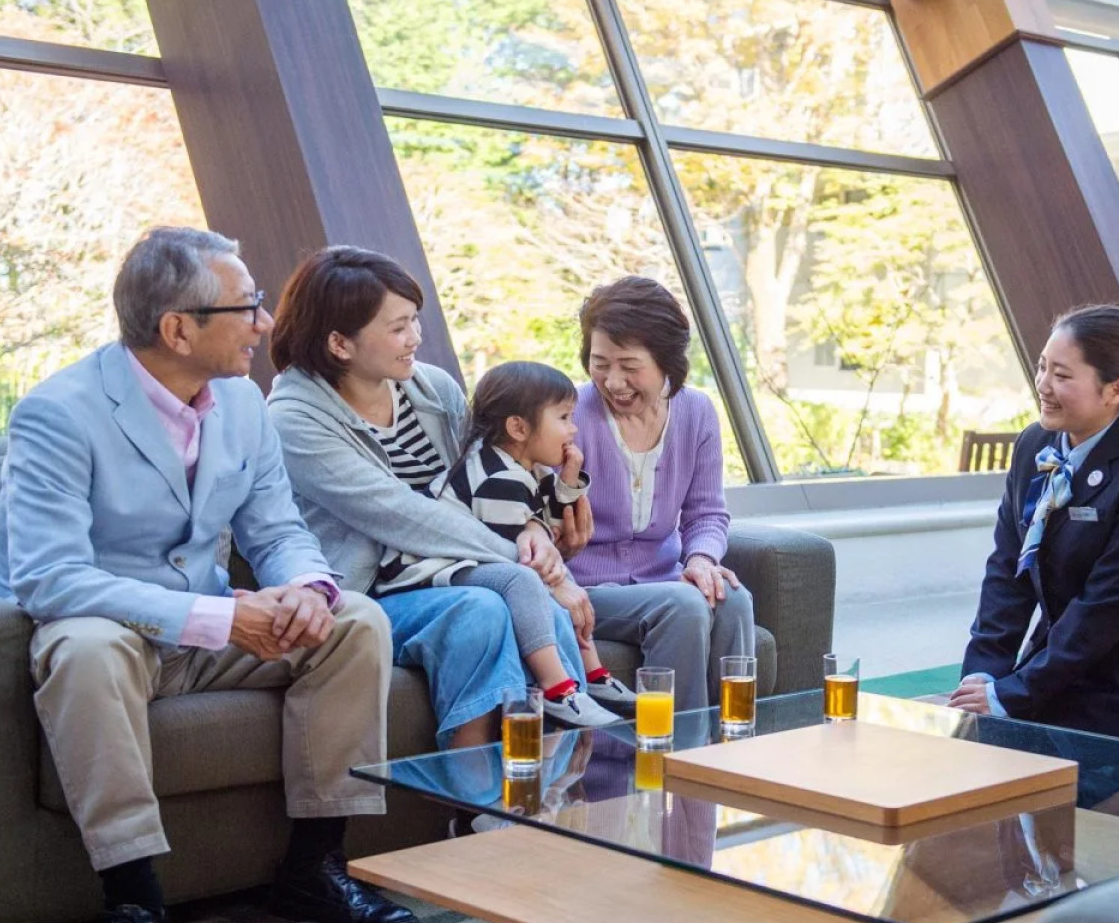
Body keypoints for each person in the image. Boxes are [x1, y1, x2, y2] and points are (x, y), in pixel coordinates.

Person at [0, 228, 416, 923]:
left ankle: (314, 868)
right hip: (111, 627)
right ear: (177, 329)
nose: (262, 321)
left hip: (211, 627)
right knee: (82, 649)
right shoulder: (58, 412)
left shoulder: (245, 404)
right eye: (246, 305)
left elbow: (278, 530)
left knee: (353, 620)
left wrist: (304, 591)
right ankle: (134, 908)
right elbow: (49, 577)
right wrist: (219, 618)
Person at [265, 246, 616, 741]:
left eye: (415, 320)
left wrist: (532, 525)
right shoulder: (293, 420)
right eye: (397, 327)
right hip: (369, 594)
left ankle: (559, 789)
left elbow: (488, 474)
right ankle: (474, 803)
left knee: (532, 606)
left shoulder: (434, 390)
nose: (415, 339)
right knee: (481, 610)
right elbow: (401, 516)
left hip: (455, 570)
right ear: (340, 344)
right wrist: (525, 563)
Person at [949, 304, 1119, 748]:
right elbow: (1007, 570)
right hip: (1059, 669)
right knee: (968, 766)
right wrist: (984, 673)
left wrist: (1012, 693)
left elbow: (1104, 609)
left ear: (1116, 390)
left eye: (1062, 376)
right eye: (1042, 368)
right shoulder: (1035, 444)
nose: (1043, 387)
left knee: (1033, 789)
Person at [569, 276, 755, 712]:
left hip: (662, 578)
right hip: (586, 586)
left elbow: (707, 513)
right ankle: (675, 755)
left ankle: (735, 743)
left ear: (666, 361)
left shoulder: (696, 413)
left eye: (629, 366)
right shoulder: (569, 413)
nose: (613, 381)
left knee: (733, 600)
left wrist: (702, 560)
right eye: (600, 363)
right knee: (683, 606)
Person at [419, 360, 634, 713]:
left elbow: (554, 525)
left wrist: (568, 479)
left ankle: (593, 675)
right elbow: (523, 559)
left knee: (552, 574)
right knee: (527, 579)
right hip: (435, 571)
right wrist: (557, 578)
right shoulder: (496, 477)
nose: (573, 430)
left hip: (475, 564)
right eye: (563, 418)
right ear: (518, 427)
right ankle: (557, 688)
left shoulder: (527, 469)